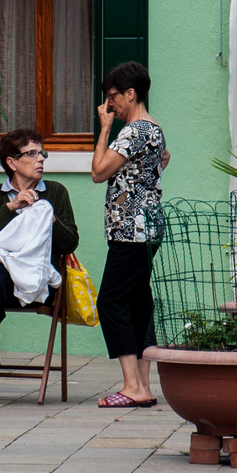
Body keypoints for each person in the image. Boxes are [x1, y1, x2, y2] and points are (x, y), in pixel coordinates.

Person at [0, 129, 79, 405]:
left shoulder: (55, 192)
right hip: (0, 285)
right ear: (11, 162)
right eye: (31, 153)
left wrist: (50, 219)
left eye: (41, 152)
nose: (40, 159)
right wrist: (11, 206)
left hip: (39, 284)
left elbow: (70, 244)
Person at [91, 61, 171, 409]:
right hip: (149, 227)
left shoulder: (133, 130)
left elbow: (97, 172)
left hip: (130, 229)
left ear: (130, 94)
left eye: (113, 99)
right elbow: (162, 160)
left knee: (110, 301)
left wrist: (105, 128)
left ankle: (132, 386)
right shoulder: (155, 129)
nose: (111, 106)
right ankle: (143, 385)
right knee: (139, 302)